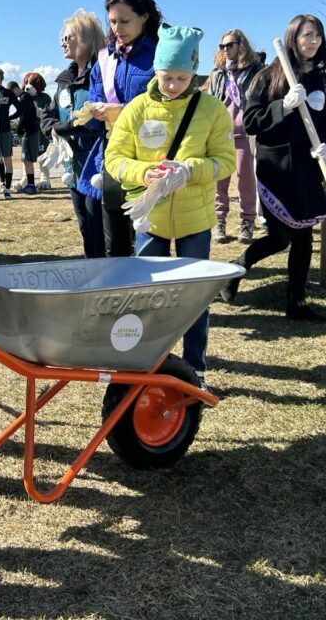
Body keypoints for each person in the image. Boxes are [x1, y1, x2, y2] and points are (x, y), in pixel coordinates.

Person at [105, 25, 235, 388]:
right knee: (149, 298)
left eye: (181, 77)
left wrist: (189, 171)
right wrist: (144, 172)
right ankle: (149, 364)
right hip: (151, 219)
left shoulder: (212, 109)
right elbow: (114, 157)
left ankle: (195, 369)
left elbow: (226, 161)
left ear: (194, 72)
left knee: (195, 298)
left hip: (196, 219)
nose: (173, 84)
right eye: (166, 77)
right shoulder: (136, 109)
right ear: (156, 72)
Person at [220, 14, 326, 321]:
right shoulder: (268, 77)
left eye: (317, 36)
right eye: (306, 35)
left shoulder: (322, 81)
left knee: (304, 236)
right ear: (292, 38)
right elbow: (251, 121)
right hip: (277, 168)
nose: (312, 41)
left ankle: (296, 302)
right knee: (279, 237)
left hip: (307, 169)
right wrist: (283, 106)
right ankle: (235, 270)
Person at [82, 0, 162, 257]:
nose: (118, 29)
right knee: (114, 246)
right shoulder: (104, 59)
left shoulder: (161, 57)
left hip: (152, 160)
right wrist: (91, 113)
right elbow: (93, 103)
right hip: (112, 160)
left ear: (144, 16)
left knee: (149, 241)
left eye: (125, 21)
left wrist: (124, 111)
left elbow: (168, 108)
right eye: (113, 21)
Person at [44, 10, 107, 258]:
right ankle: (91, 268)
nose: (63, 42)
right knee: (83, 223)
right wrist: (52, 127)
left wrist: (62, 127)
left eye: (68, 37)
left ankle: (103, 274)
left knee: (96, 224)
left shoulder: (100, 74)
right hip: (73, 164)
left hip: (96, 161)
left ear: (85, 39)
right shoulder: (64, 80)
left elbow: (91, 117)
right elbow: (48, 114)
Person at [205, 30, 262, 245]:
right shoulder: (218, 74)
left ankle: (247, 222)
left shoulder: (255, 72)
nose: (225, 50)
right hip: (221, 135)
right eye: (222, 46)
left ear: (241, 45)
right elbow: (210, 102)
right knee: (220, 181)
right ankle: (219, 222)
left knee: (245, 181)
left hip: (244, 134)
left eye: (230, 45)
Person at [14, 72, 48, 193]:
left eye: (32, 84)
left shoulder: (44, 98)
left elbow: (46, 114)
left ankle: (44, 178)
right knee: (26, 157)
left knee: (43, 156)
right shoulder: (23, 98)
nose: (28, 86)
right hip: (27, 133)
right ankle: (25, 179)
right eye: (27, 83)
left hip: (41, 132)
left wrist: (36, 110)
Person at [0, 66, 18, 197]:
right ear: (3, 77)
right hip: (6, 128)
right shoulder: (9, 93)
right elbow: (20, 109)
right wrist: (9, 117)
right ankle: (7, 189)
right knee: (7, 158)